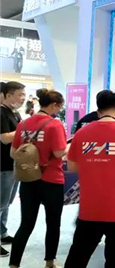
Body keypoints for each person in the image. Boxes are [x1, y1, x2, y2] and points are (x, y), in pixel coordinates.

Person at [64, 90, 115, 268]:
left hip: (90, 206)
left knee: (78, 256)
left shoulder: (82, 133)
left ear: (98, 110)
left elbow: (72, 167)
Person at [9, 89, 66, 268]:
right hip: (52, 180)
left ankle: (13, 264)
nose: (59, 110)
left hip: (28, 180)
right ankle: (49, 262)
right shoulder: (55, 124)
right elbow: (59, 152)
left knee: (26, 224)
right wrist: (68, 147)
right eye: (59, 107)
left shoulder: (23, 124)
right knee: (53, 224)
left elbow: (13, 153)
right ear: (54, 105)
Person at [1, 81, 26, 257]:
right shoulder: (1, 113)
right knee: (1, 203)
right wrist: (26, 130)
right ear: (8, 95)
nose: (23, 98)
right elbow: (4, 138)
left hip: (14, 164)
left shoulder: (14, 113)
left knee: (7, 203)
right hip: (3, 165)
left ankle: (2, 233)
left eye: (24, 94)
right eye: (20, 94)